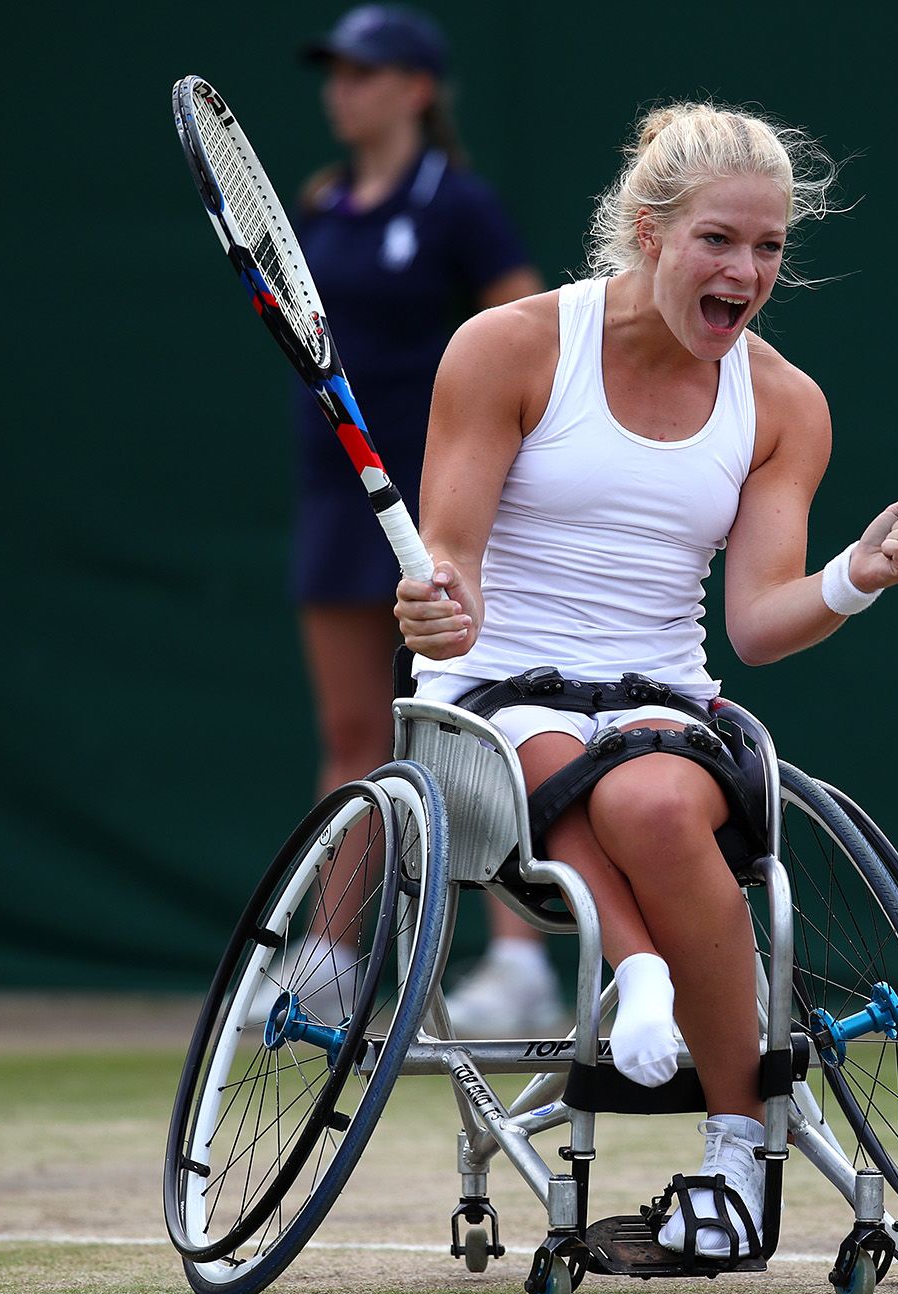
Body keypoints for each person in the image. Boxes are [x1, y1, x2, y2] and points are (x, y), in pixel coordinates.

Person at [394, 101, 898, 1258]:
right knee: (542, 750)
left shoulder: (784, 404)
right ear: (646, 231)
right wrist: (438, 601)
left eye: (769, 248)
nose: (746, 271)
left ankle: (736, 1158)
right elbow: (455, 557)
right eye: (718, 241)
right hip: (491, 691)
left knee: (645, 794)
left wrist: (856, 575)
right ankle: (641, 974)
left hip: (656, 705)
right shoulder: (508, 348)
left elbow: (756, 621)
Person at [289, 6, 561, 1038]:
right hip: (333, 500)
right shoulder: (317, 208)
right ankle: (325, 959)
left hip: (442, 502)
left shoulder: (462, 209)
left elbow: (526, 333)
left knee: (475, 721)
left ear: (415, 88)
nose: (341, 89)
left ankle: (520, 960)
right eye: (336, 72)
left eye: (364, 73)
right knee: (352, 733)